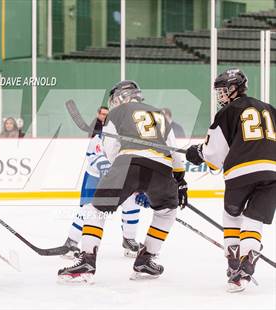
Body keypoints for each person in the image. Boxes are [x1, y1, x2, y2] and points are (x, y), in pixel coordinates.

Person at [58, 80, 187, 283]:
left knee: (96, 209)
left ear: (121, 97)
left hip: (128, 163)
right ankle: (145, 260)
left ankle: (87, 261)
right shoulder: (160, 114)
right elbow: (174, 151)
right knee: (167, 212)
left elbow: (111, 150)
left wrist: (130, 181)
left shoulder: (117, 113)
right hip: (162, 168)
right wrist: (179, 179)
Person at [185, 68, 276, 292]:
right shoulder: (271, 109)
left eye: (224, 90)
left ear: (235, 88)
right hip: (273, 172)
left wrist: (198, 153)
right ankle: (248, 259)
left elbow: (215, 155)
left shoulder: (228, 112)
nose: (221, 95)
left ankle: (234, 263)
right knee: (254, 219)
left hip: (241, 171)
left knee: (232, 214)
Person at [63, 106, 150, 258]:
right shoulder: (100, 137)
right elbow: (93, 154)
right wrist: (106, 169)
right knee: (89, 210)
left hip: (119, 176)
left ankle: (129, 240)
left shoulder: (129, 139)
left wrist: (141, 188)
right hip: (95, 178)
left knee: (132, 202)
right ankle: (71, 242)